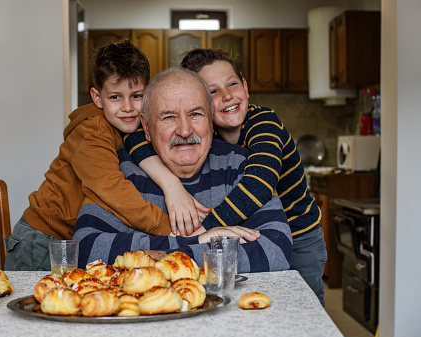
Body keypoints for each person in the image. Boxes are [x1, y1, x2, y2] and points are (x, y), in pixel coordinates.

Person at [124, 49, 327, 306]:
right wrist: (171, 184)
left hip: (300, 236)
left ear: (245, 86)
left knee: (304, 306)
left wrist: (205, 231)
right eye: (213, 91)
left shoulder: (263, 122)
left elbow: (259, 184)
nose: (227, 95)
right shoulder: (206, 136)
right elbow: (134, 138)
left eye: (232, 84)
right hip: (258, 234)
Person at [73, 68, 292, 273]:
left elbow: (276, 250)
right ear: (147, 128)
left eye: (196, 114)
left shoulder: (240, 165)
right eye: (169, 117)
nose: (185, 130)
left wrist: (148, 255)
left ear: (211, 120)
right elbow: (87, 250)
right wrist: (201, 241)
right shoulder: (121, 171)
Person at [4, 40, 174, 271]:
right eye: (115, 97)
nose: (127, 107)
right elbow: (111, 189)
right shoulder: (92, 130)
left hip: (67, 239)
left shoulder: (130, 128)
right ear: (97, 98)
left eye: (136, 96)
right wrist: (171, 229)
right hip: (41, 240)